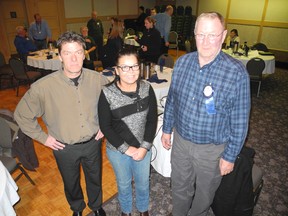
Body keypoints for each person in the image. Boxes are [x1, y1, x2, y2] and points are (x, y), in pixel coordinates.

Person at [161, 12, 251, 216]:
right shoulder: (182, 63)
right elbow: (172, 100)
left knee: (204, 193)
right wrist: (167, 129)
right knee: (179, 187)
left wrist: (230, 156)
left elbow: (240, 122)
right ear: (194, 34)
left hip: (212, 149)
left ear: (224, 35)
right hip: (181, 142)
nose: (206, 41)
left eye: (213, 34)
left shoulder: (236, 73)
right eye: (201, 34)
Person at [14, 31, 108, 216]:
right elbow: (22, 115)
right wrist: (43, 138)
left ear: (84, 54)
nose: (74, 58)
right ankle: (77, 208)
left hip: (93, 143)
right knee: (71, 181)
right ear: (60, 56)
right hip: (64, 148)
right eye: (67, 52)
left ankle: (96, 207)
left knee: (95, 178)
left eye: (78, 52)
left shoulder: (97, 79)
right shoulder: (43, 87)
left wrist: (105, 126)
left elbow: (113, 103)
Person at [98, 48, 158, 216]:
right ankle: (126, 211)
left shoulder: (147, 88)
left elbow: (152, 120)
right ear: (116, 70)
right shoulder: (107, 93)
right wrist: (127, 149)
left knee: (143, 183)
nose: (130, 71)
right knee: (124, 184)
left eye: (134, 66)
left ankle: (142, 209)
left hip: (142, 148)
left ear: (139, 67)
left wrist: (144, 147)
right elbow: (106, 126)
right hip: (118, 150)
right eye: (125, 67)